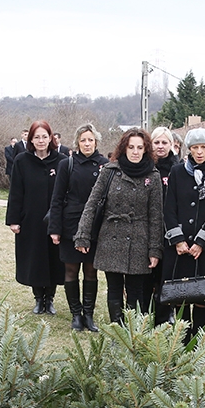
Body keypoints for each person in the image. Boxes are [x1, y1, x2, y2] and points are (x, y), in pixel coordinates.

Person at [75, 129, 162, 325]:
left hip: (139, 239)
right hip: (111, 235)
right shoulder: (110, 171)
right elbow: (92, 203)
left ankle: (132, 331)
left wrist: (154, 249)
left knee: (135, 289)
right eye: (131, 147)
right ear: (124, 148)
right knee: (114, 288)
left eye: (140, 147)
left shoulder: (153, 175)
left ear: (146, 149)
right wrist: (83, 235)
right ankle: (117, 329)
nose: (135, 152)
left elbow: (156, 215)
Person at [162, 128, 205, 345]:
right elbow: (169, 207)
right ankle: (182, 338)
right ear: (189, 149)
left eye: (204, 147)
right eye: (195, 147)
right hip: (179, 246)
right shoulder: (177, 172)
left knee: (202, 294)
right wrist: (178, 240)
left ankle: (197, 338)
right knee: (180, 294)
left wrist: (201, 242)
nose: (199, 152)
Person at [48, 124, 109, 330]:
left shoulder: (105, 165)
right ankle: (76, 314)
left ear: (96, 142)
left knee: (91, 271)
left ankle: (88, 315)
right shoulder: (67, 164)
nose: (87, 143)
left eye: (90, 140)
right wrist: (55, 229)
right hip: (71, 225)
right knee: (71, 270)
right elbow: (57, 198)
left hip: (95, 225)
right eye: (83, 140)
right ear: (77, 142)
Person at [7, 120, 66, 313]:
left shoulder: (62, 161)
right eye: (37, 137)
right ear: (31, 139)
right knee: (35, 259)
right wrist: (14, 220)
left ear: (51, 138)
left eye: (44, 136)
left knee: (54, 259)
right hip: (30, 219)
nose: (41, 140)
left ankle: (50, 298)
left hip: (54, 220)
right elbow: (16, 192)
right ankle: (38, 299)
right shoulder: (22, 161)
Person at [149, 127, 180, 325]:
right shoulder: (146, 166)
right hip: (147, 228)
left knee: (166, 276)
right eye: (157, 142)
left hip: (169, 230)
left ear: (171, 145)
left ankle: (165, 314)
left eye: (164, 142)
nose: (160, 146)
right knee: (148, 277)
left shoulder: (178, 168)